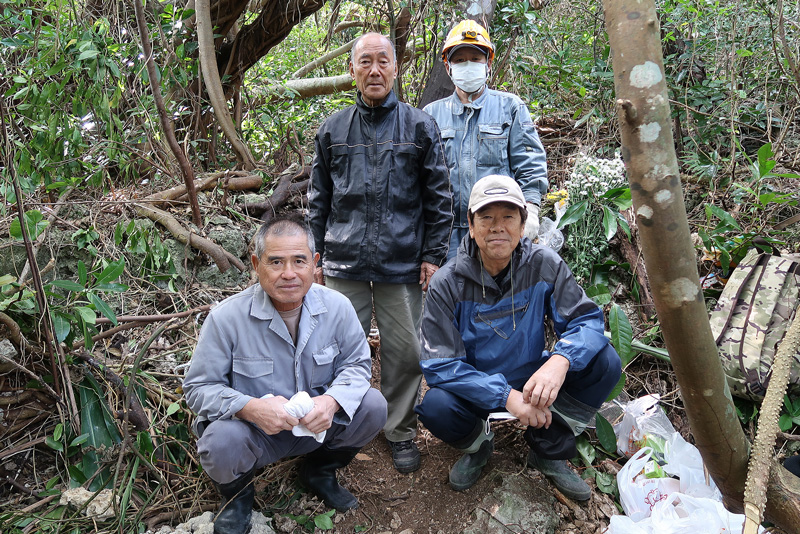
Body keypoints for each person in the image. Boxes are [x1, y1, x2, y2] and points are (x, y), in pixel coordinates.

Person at [415, 175, 621, 501]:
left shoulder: (544, 264)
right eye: (487, 217)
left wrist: (560, 360)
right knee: (436, 406)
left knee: (605, 362)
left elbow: (587, 321)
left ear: (523, 225)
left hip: (531, 376)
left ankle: (549, 450)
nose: (498, 227)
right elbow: (439, 366)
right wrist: (504, 395)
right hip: (476, 386)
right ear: (471, 225)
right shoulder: (447, 282)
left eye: (508, 217)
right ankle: (479, 447)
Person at [183, 215, 387, 534]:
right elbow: (197, 388)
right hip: (256, 435)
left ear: (315, 263)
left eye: (299, 261)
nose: (288, 273)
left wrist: (331, 403)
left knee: (373, 406)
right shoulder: (226, 319)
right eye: (276, 261)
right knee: (221, 440)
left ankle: (320, 472)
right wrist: (249, 408)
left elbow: (357, 365)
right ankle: (237, 498)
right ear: (256, 263)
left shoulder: (338, 307)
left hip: (318, 427)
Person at [308, 32, 453, 474]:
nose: (374, 70)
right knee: (331, 349)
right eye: (365, 62)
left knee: (404, 351)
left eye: (382, 61)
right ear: (352, 71)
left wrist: (432, 254)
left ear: (395, 68)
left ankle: (400, 431)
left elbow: (439, 196)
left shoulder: (419, 126)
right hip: (344, 260)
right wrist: (314, 257)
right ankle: (337, 426)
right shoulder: (333, 128)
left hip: (401, 260)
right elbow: (320, 199)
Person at [423, 20, 548, 261]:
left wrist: (530, 209)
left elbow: (530, 164)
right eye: (459, 60)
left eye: (475, 59)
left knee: (498, 295)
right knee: (450, 295)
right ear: (448, 68)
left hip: (497, 230)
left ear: (488, 63)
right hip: (445, 236)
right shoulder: (431, 115)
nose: (467, 65)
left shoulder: (510, 108)